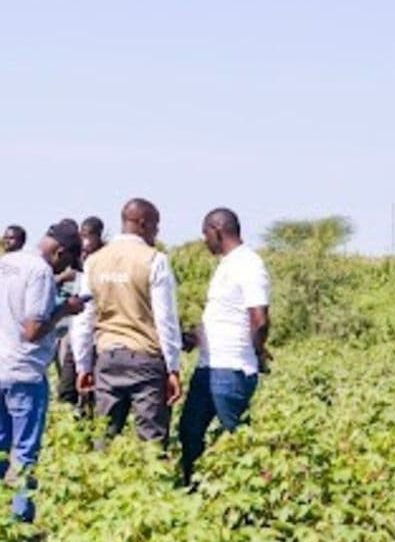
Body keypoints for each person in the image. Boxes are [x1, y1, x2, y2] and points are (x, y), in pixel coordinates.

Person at [0, 223, 84, 522]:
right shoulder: (40, 272)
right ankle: (21, 521)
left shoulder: (6, 262)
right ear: (60, 252)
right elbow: (33, 330)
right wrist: (65, 309)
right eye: (66, 262)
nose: (64, 268)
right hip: (23, 372)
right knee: (25, 453)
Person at [70, 198, 183, 444]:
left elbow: (83, 319)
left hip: (107, 359)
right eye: (155, 225)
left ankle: (102, 483)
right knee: (151, 443)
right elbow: (166, 319)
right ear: (143, 223)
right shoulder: (154, 260)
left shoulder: (94, 261)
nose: (157, 232)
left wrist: (83, 366)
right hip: (145, 360)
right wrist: (173, 368)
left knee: (104, 439)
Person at [178, 208, 272, 485]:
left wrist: (257, 351)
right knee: (189, 432)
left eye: (206, 234)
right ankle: (193, 492)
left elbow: (260, 320)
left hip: (231, 368)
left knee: (236, 437)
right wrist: (195, 338)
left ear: (217, 230)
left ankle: (249, 497)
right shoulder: (228, 264)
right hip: (209, 366)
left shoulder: (249, 264)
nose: (204, 240)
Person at [55, 215, 105, 408]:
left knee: (91, 393)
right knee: (66, 391)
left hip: (95, 337)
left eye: (87, 236)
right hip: (76, 333)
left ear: (97, 236)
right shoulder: (79, 259)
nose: (84, 242)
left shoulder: (103, 260)